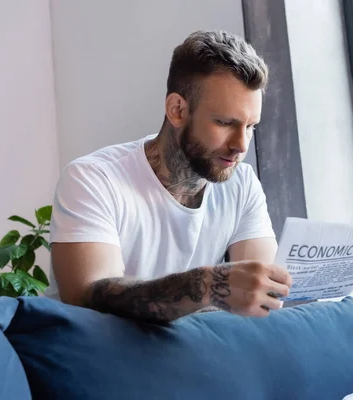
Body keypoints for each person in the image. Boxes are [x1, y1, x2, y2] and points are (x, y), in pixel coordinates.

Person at [47, 30, 293, 323]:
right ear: (177, 110)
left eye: (251, 126)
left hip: (196, 356)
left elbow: (263, 302)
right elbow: (88, 296)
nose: (241, 144)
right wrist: (206, 286)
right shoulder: (93, 180)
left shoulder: (242, 183)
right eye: (225, 122)